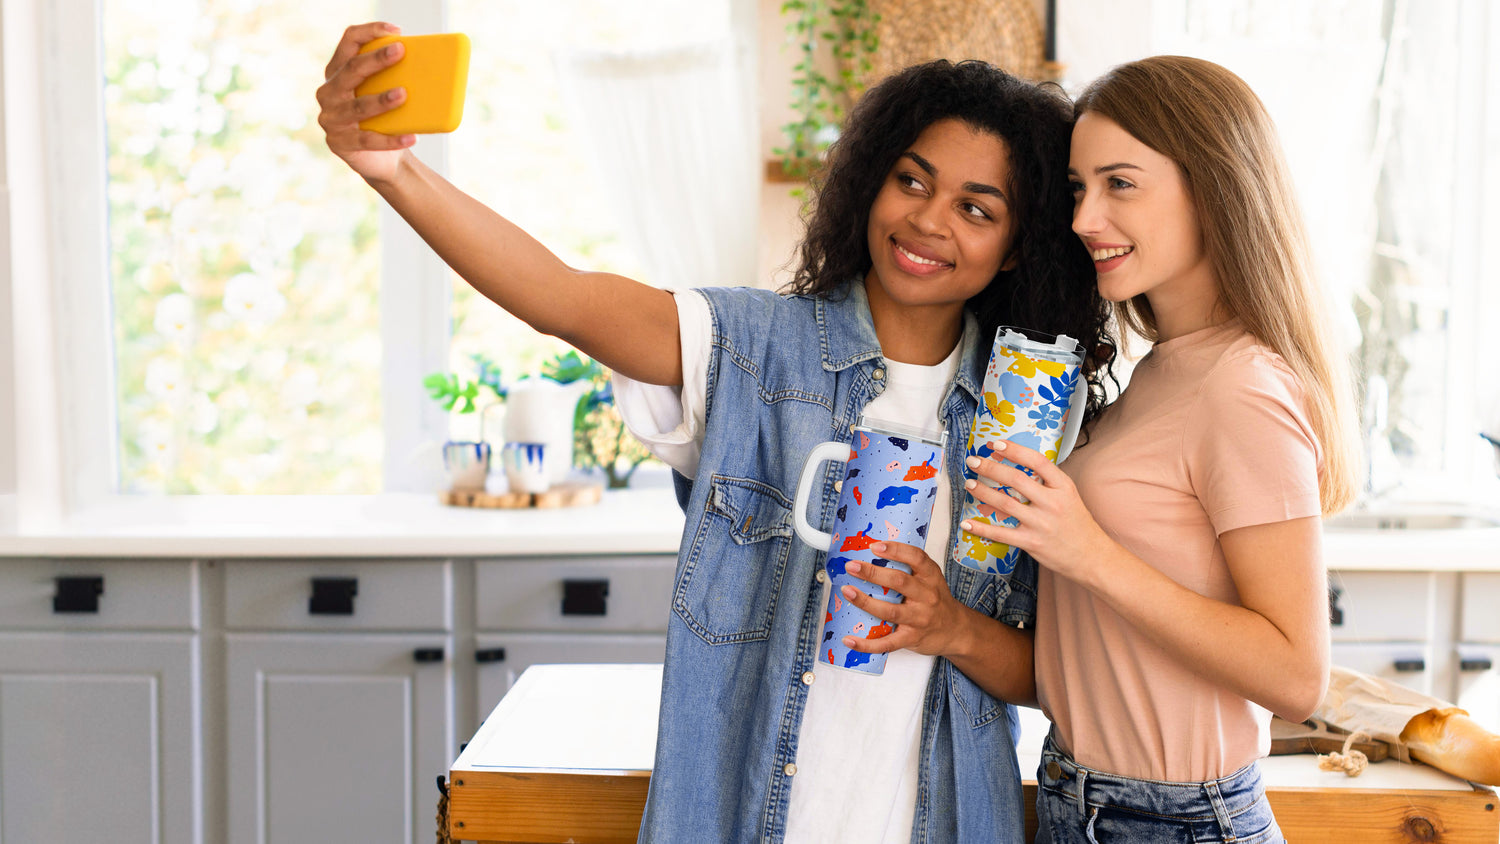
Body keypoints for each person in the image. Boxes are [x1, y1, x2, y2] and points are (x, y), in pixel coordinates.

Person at [317, 23, 1114, 842]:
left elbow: (1059, 673)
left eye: (976, 209)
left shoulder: (1030, 411)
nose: (928, 221)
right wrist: (395, 171)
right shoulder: (748, 350)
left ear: (1016, 248)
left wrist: (950, 625)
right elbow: (562, 295)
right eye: (912, 181)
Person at [839, 54, 1357, 843]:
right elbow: (1101, 664)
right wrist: (951, 624)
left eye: (1121, 184)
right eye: (1080, 189)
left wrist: (1086, 551)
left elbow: (1296, 677)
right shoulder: (1163, 370)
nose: (1083, 219)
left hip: (1173, 821)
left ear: (1211, 184)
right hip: (1082, 801)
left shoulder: (1241, 384)